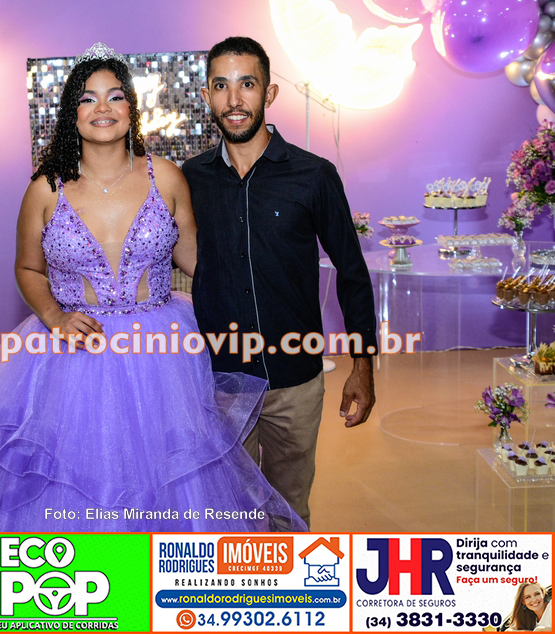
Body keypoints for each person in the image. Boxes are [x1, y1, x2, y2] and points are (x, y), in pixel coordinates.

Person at [0, 42, 307, 532]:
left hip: (161, 353)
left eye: (115, 96)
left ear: (131, 109)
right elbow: (28, 269)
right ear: (72, 113)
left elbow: (199, 262)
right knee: (72, 480)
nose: (102, 108)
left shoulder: (167, 177)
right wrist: (55, 317)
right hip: (72, 353)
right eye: (88, 98)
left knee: (172, 477)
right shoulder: (45, 187)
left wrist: (267, 276)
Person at [182, 36, 377, 529]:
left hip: (295, 381)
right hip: (222, 381)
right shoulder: (191, 179)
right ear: (206, 95)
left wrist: (363, 366)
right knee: (230, 515)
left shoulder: (314, 175)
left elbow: (352, 272)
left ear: (268, 93)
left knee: (289, 511)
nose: (234, 99)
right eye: (221, 86)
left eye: (247, 84)